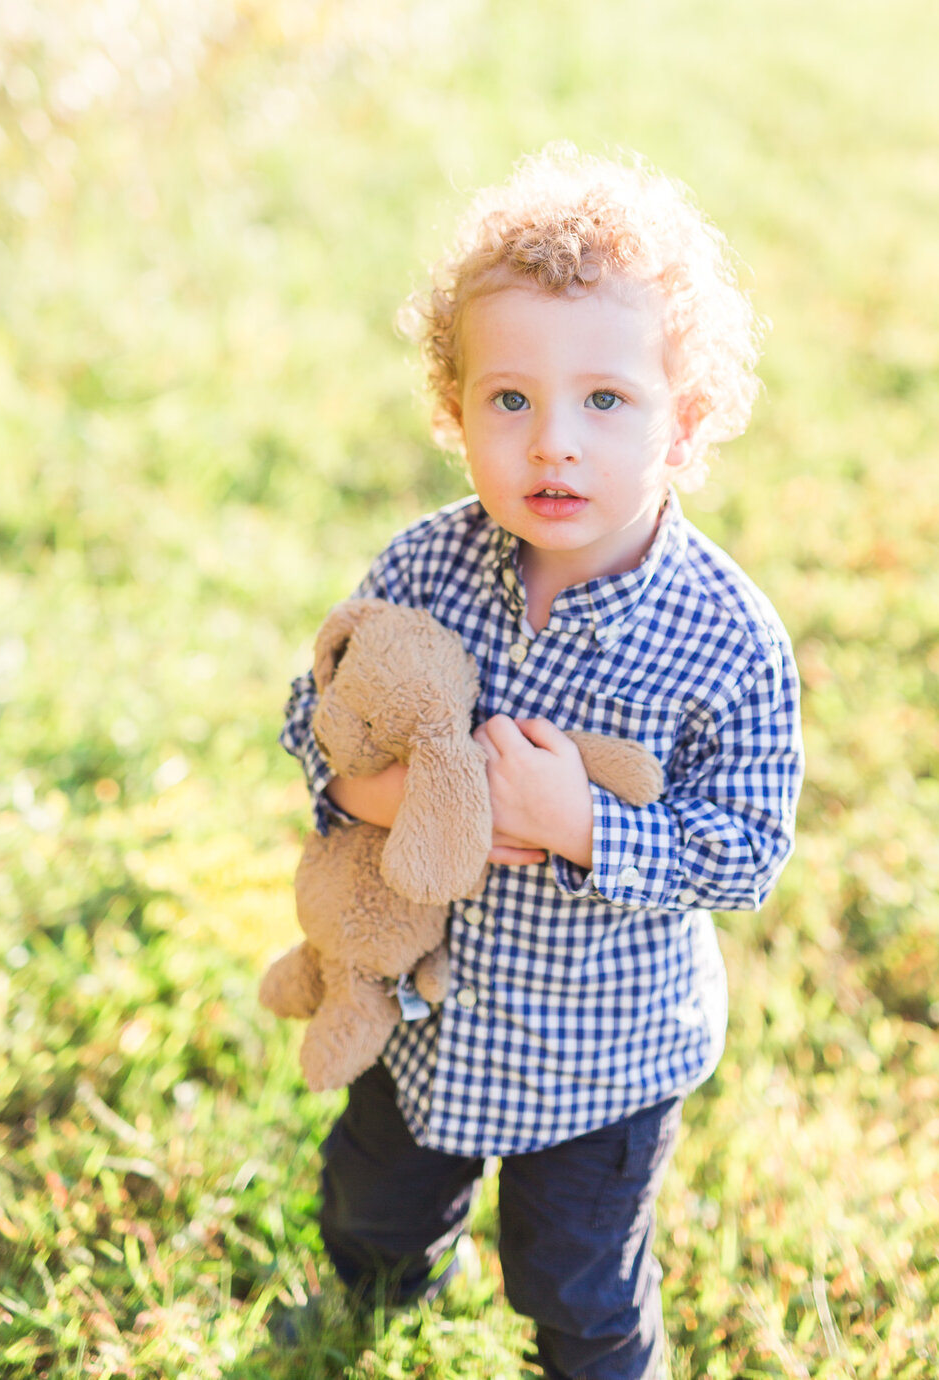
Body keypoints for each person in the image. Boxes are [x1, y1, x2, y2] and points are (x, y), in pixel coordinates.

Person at [279, 143, 804, 1379]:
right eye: (509, 401)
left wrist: (582, 824)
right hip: (425, 1016)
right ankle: (379, 1290)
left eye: (604, 402)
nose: (551, 444)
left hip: (602, 1058)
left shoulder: (729, 637)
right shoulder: (422, 566)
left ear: (685, 424)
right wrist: (371, 790)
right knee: (369, 1200)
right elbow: (319, 713)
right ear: (454, 411)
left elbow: (744, 853)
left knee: (576, 1282)